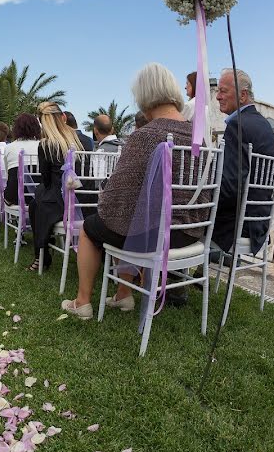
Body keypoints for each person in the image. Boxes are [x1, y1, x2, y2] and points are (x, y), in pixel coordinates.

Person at [62, 63, 210, 319]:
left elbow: (118, 197)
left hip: (156, 236)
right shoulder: (199, 137)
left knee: (92, 228)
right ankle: (122, 295)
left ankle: (82, 301)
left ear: (144, 96)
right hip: (188, 233)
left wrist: (104, 199)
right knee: (129, 221)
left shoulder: (144, 136)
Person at [212, 69, 274, 254]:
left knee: (178, 214)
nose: (217, 96)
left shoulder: (237, 125)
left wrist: (201, 199)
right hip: (258, 223)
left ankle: (168, 272)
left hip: (237, 225)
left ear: (242, 95)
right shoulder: (263, 124)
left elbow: (230, 185)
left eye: (223, 91)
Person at [27, 102, 85, 271]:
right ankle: (43, 250)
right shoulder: (85, 141)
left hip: (61, 201)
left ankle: (41, 254)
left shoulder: (46, 145)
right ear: (63, 117)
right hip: (86, 198)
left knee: (36, 203)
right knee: (39, 201)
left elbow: (46, 179)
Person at [3, 113, 42, 206]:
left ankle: (15, 220)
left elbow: (7, 174)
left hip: (15, 196)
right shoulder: (43, 146)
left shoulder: (9, 148)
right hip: (41, 196)